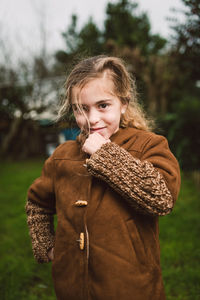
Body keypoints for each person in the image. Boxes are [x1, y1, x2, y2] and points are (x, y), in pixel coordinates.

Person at [25, 55, 181, 300]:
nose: (92, 118)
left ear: (124, 103)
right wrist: (49, 246)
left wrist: (105, 155)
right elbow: (37, 202)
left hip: (131, 287)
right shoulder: (62, 156)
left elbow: (161, 198)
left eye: (103, 105)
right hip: (71, 287)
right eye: (81, 109)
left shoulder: (149, 145)